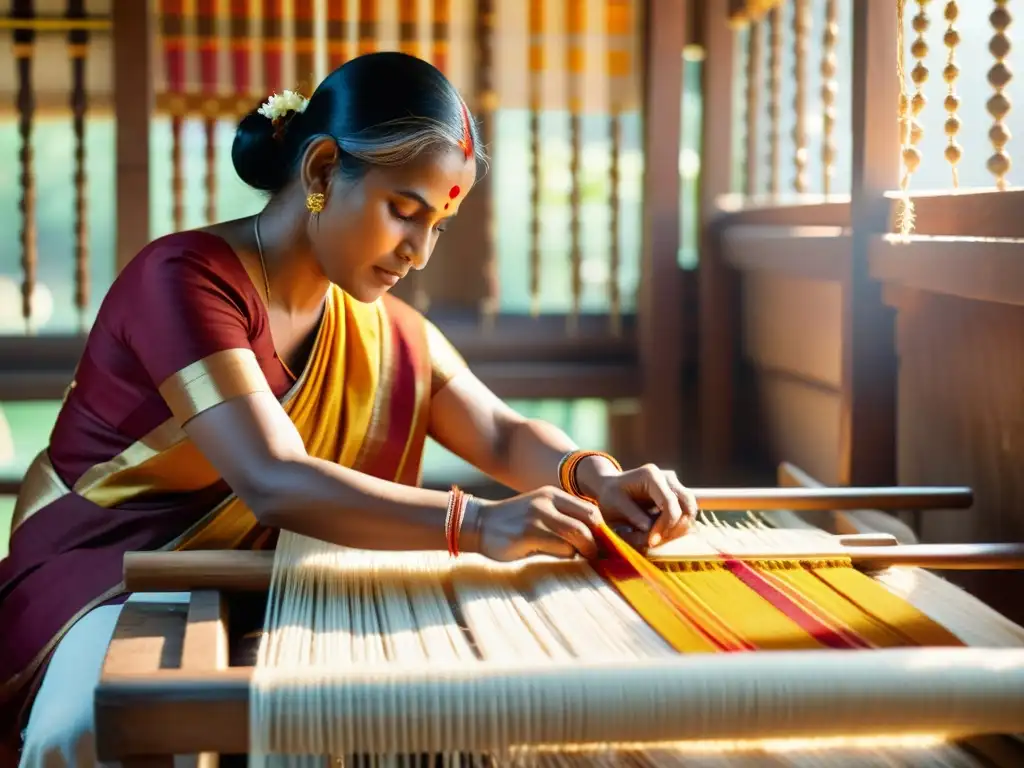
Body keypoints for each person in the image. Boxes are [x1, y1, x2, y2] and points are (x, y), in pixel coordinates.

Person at [0, 51, 697, 767]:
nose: (418, 252)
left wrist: (596, 479)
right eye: (405, 212)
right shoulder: (183, 283)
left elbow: (499, 429)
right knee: (90, 725)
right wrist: (478, 522)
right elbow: (272, 478)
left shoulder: (383, 331)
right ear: (323, 171)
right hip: (111, 575)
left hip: (271, 582)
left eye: (438, 226)